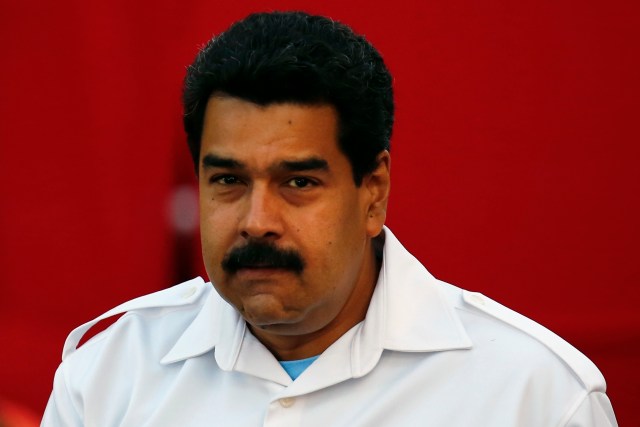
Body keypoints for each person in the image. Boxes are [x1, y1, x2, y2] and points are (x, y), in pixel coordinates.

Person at [42, 11, 617, 426]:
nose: (256, 221)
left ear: (373, 192)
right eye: (228, 181)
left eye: (298, 183)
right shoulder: (106, 378)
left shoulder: (535, 395)